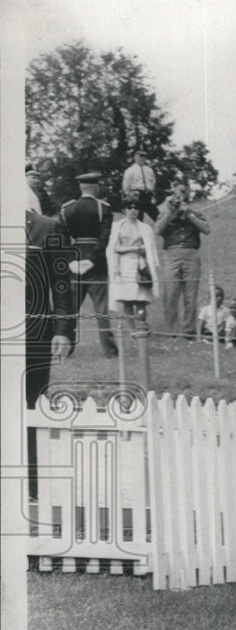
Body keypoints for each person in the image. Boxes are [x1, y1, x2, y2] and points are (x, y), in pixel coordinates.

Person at [25, 210, 75, 499]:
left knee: (30, 406)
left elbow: (62, 284)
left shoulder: (47, 227)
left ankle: (32, 487)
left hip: (33, 337)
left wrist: (62, 329)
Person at [59, 170, 118, 358]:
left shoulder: (66, 209)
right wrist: (91, 261)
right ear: (95, 186)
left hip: (74, 262)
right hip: (97, 264)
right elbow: (104, 239)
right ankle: (110, 351)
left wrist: (72, 261)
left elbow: (62, 240)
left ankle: (66, 349)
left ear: (81, 187)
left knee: (71, 309)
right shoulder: (103, 208)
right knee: (101, 309)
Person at [155, 181, 210, 340]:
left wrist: (189, 214)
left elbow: (207, 229)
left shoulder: (195, 212)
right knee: (170, 294)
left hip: (191, 253)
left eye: (183, 193)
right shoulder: (165, 211)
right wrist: (169, 211)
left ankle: (189, 331)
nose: (179, 197)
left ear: (187, 195)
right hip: (171, 254)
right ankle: (172, 330)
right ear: (172, 195)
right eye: (176, 194)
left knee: (190, 295)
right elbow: (157, 230)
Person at [106, 193, 160, 330]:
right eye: (129, 208)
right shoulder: (118, 226)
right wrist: (131, 249)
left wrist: (142, 250)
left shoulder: (144, 227)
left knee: (140, 298)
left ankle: (142, 325)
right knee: (127, 299)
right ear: (124, 210)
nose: (133, 210)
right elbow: (114, 247)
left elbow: (149, 247)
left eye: (136, 208)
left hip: (140, 264)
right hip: (124, 263)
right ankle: (132, 329)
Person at [121, 150, 158, 222]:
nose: (143, 158)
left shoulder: (149, 170)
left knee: (157, 216)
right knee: (138, 219)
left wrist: (151, 192)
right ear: (135, 157)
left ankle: (164, 231)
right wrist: (130, 197)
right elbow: (126, 186)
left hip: (148, 196)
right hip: (137, 196)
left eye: (144, 156)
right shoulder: (130, 170)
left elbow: (153, 182)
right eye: (141, 156)